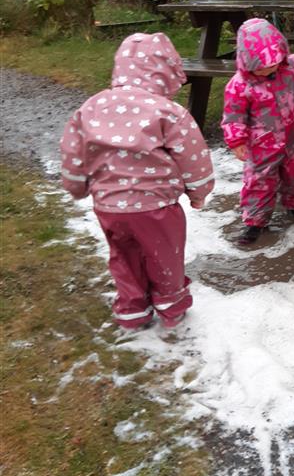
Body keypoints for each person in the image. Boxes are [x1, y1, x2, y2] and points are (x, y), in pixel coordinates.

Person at [59, 32, 214, 332]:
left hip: (109, 207)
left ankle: (132, 309)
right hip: (156, 208)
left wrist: (77, 186)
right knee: (164, 257)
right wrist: (199, 191)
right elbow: (193, 156)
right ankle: (171, 307)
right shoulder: (167, 112)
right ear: (167, 72)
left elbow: (74, 151)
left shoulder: (92, 107)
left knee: (124, 256)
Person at [222, 18, 294, 244]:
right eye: (262, 65)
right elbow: (233, 116)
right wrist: (236, 141)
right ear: (247, 61)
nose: (269, 68)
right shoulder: (240, 85)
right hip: (262, 145)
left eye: (274, 62)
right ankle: (254, 222)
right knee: (259, 181)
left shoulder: (291, 68)